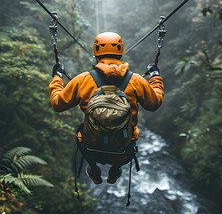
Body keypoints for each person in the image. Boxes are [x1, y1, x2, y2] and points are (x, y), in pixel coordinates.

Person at [48, 32, 164, 184]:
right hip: (123, 151)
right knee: (124, 142)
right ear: (120, 53)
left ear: (96, 53)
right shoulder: (136, 81)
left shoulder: (83, 80)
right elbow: (154, 103)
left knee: (82, 133)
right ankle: (115, 170)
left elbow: (57, 104)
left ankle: (93, 169)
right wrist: (155, 76)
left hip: (91, 149)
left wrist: (57, 77)